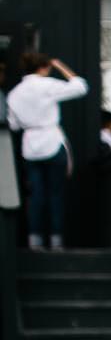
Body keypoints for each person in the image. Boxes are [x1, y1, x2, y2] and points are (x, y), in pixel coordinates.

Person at [6, 52, 88, 249]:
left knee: (35, 196)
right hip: (51, 142)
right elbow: (80, 87)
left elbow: (14, 125)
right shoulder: (47, 85)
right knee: (55, 194)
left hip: (30, 146)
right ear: (43, 67)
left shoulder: (15, 93)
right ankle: (56, 240)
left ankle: (35, 240)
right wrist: (60, 66)